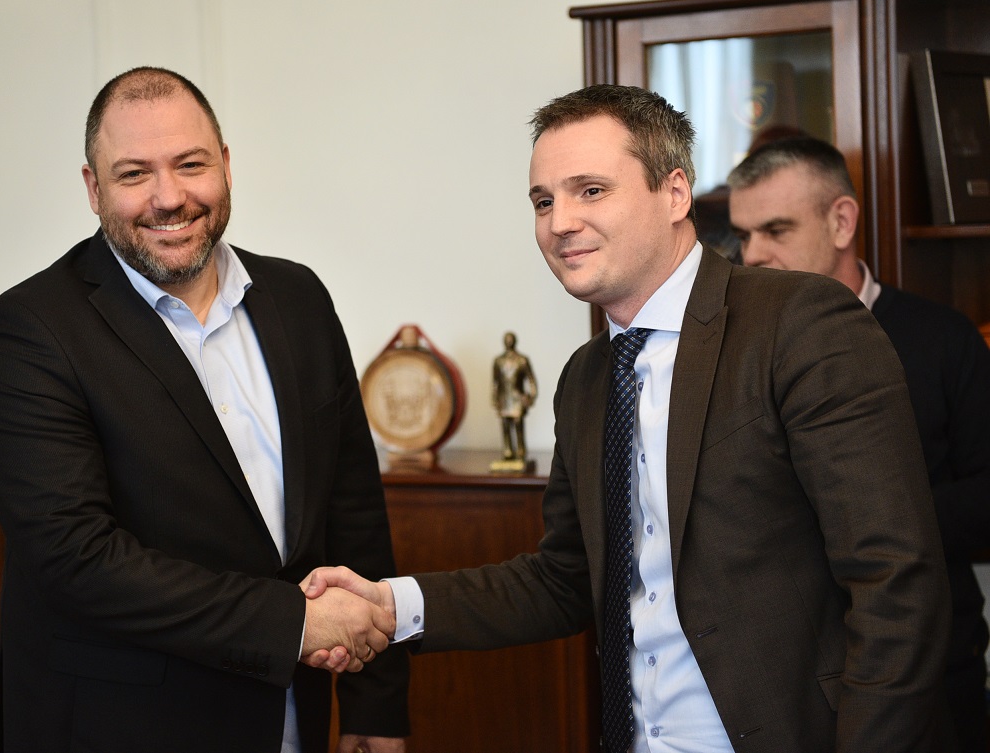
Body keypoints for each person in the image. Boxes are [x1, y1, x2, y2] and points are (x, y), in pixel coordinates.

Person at [301, 84, 951, 752]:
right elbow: (565, 578)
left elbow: (897, 582)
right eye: (543, 201)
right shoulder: (586, 378)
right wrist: (391, 607)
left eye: (591, 191)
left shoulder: (798, 323)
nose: (560, 222)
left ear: (675, 193)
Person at [0, 67, 408, 753]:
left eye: (190, 164)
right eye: (134, 173)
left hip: (295, 719)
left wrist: (375, 705)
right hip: (120, 729)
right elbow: (79, 559)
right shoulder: (27, 331)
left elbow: (352, 510)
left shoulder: (299, 298)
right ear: (93, 188)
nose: (169, 197)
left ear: (226, 165)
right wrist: (293, 623)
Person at [727, 135, 990, 752]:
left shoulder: (943, 339)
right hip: (781, 683)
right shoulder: (731, 354)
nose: (752, 255)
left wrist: (864, 521)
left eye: (776, 229)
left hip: (931, 673)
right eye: (743, 235)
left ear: (841, 221)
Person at [491, 331, 537, 463]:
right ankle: (508, 451)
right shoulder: (498, 361)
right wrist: (494, 399)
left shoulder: (522, 360)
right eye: (507, 340)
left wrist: (531, 397)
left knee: (518, 425)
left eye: (511, 339)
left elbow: (531, 380)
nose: (509, 342)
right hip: (504, 398)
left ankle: (521, 451)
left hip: (518, 399)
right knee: (505, 426)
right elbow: (495, 383)